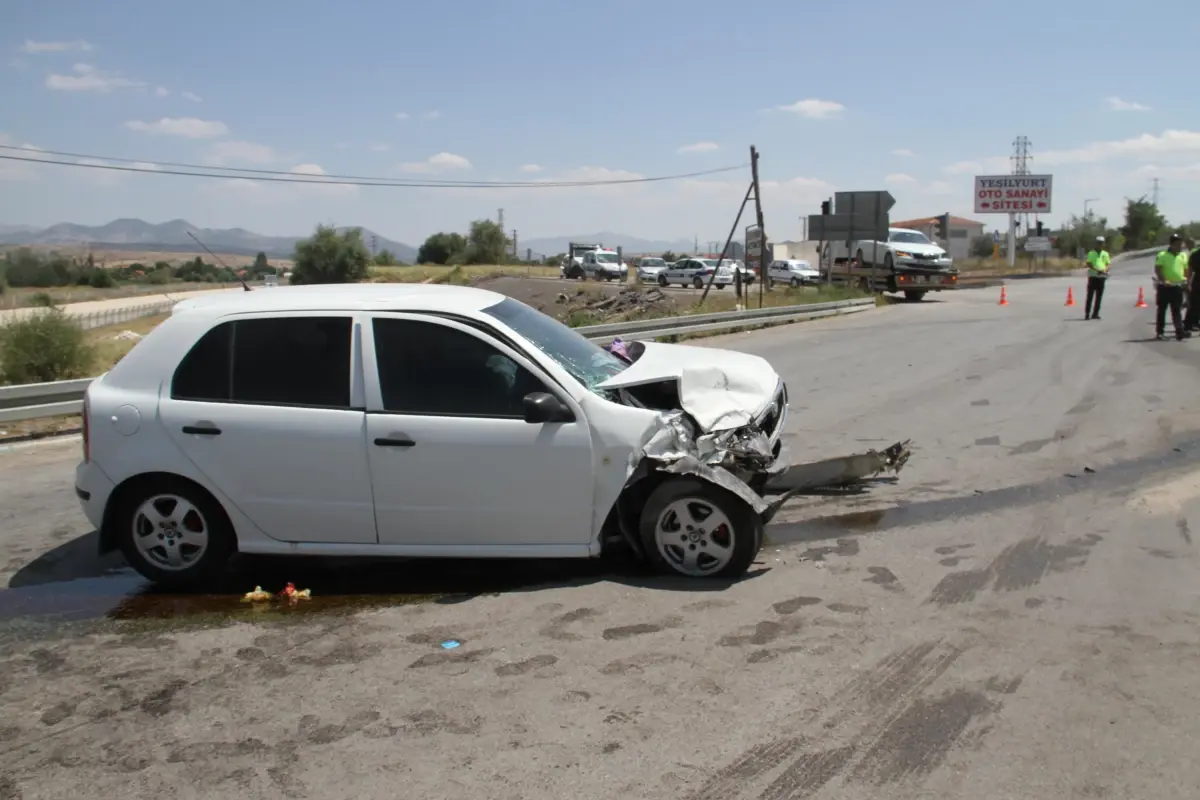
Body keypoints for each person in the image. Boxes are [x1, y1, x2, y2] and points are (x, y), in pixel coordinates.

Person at [1154, 233, 1191, 341]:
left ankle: (1179, 332)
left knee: (1176, 310)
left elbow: (1185, 269)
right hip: (1164, 287)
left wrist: (1186, 281)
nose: (1180, 246)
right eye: (1178, 244)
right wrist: (1164, 280)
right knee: (1162, 310)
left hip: (1177, 287)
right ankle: (1160, 332)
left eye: (1181, 244)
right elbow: (1158, 269)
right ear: (1172, 244)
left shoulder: (1182, 255)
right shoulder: (1162, 255)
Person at [1084, 235, 1111, 320]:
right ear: (1096, 244)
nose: (1100, 244)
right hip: (1093, 276)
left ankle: (1095, 313)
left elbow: (1108, 263)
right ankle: (1087, 313)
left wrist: (1105, 270)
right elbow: (1089, 264)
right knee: (1090, 296)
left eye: (1101, 243)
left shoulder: (1105, 254)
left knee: (1099, 296)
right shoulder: (1091, 253)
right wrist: (1096, 270)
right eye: (1098, 243)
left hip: (1101, 277)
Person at [1184, 238, 1200, 332]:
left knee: (1195, 305)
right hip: (1197, 282)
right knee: (1194, 304)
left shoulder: (1195, 254)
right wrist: (1188, 282)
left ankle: (1193, 323)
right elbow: (1190, 270)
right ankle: (1189, 324)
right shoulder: (1195, 255)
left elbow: (1190, 270)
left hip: (1197, 282)